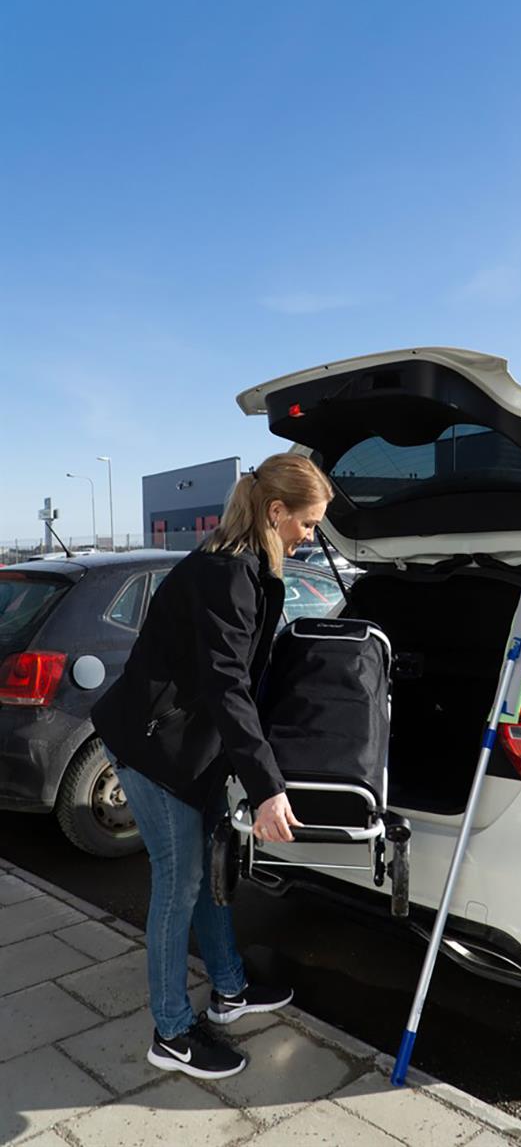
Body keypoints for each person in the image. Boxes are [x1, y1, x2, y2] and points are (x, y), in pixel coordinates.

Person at [91, 454, 333, 1080]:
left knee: (207, 869)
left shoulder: (245, 567)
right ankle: (170, 1032)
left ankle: (228, 989)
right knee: (180, 883)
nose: (311, 536)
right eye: (307, 524)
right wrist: (267, 789)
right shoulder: (228, 574)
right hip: (152, 748)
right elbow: (228, 685)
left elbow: (237, 680)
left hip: (183, 745)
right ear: (275, 512)